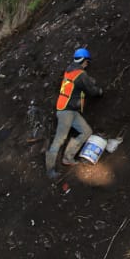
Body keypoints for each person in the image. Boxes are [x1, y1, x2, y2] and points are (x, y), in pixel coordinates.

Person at [45, 48, 104, 179]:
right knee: (59, 139)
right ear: (83, 60)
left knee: (86, 131)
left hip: (69, 110)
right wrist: (100, 91)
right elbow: (91, 90)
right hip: (66, 111)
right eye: (87, 62)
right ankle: (50, 169)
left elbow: (82, 83)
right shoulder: (80, 74)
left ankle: (68, 157)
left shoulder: (70, 70)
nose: (87, 65)